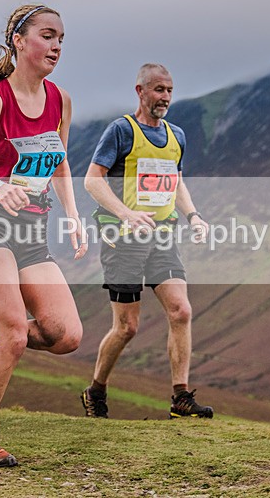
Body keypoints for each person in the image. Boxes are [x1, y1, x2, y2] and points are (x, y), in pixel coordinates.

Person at [0, 4, 86, 467]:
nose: (56, 46)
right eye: (48, 36)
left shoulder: (60, 100)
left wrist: (72, 214)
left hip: (32, 232)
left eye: (61, 39)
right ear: (19, 41)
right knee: (15, 336)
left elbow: (60, 162)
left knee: (65, 334)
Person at [80, 63, 214, 420]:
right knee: (127, 327)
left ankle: (181, 397)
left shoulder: (176, 136)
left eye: (169, 90)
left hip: (162, 237)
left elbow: (176, 182)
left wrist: (194, 215)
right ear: (140, 91)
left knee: (181, 311)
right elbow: (92, 180)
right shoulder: (121, 131)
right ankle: (96, 390)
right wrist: (126, 213)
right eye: (158, 90)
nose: (165, 97)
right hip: (122, 240)